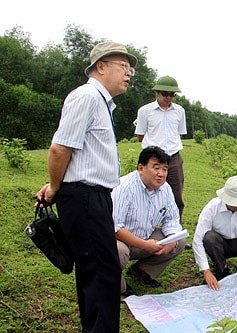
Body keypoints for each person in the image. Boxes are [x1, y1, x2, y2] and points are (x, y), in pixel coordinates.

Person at [36, 41, 137, 332]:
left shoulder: (101, 102)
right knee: (103, 273)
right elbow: (60, 148)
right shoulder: (87, 97)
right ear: (101, 67)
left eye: (130, 68)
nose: (129, 72)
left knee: (94, 271)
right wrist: (55, 187)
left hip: (94, 197)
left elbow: (79, 155)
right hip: (84, 198)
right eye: (123, 65)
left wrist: (59, 184)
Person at [112, 146, 186, 297]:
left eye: (165, 169)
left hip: (146, 238)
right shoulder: (124, 187)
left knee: (180, 241)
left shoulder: (165, 189)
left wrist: (171, 240)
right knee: (118, 251)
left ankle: (142, 272)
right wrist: (145, 244)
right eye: (156, 167)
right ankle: (118, 288)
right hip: (122, 240)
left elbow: (172, 219)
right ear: (141, 168)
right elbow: (115, 228)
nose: (161, 174)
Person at [135, 75, 187, 219]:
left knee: (176, 196)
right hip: (152, 158)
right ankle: (143, 225)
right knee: (145, 192)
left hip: (173, 158)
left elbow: (179, 133)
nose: (168, 97)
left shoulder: (179, 111)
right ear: (157, 93)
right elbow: (140, 135)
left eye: (172, 94)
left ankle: (175, 229)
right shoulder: (145, 111)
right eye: (165, 93)